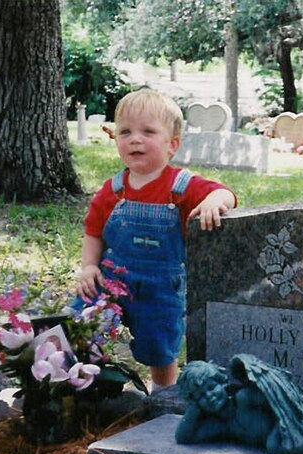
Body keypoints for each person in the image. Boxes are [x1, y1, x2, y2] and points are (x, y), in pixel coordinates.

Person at [76, 88, 237, 388]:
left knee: (159, 347)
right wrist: (89, 267)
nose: (135, 138)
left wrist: (216, 201)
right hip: (112, 278)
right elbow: (93, 231)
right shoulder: (112, 190)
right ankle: (82, 382)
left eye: (148, 131)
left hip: (161, 285)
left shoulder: (181, 185)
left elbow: (224, 192)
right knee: (82, 325)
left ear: (172, 144)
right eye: (125, 132)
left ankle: (162, 396)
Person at [175, 356, 303, 454]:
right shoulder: (223, 426)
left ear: (223, 383)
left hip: (285, 419)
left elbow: (281, 399)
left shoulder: (244, 398)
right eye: (200, 396)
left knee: (278, 445)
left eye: (211, 387)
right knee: (276, 445)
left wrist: (299, 427)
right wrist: (194, 407)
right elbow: (183, 438)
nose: (208, 395)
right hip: (277, 437)